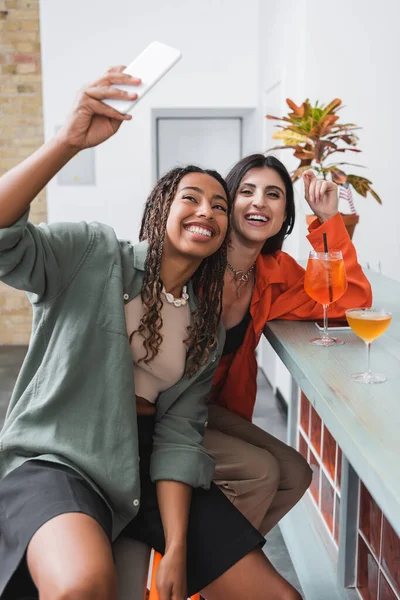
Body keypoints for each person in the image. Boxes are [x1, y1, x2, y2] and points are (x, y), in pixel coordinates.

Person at [0, 71, 300, 600]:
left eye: (217, 206)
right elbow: (5, 236)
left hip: (144, 468)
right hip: (63, 458)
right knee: (82, 585)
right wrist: (65, 142)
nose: (206, 211)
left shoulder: (205, 327)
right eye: (191, 198)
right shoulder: (93, 255)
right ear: (160, 206)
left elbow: (178, 438)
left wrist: (178, 551)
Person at [204, 154, 372, 537]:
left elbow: (349, 300)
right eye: (246, 191)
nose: (259, 201)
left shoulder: (274, 273)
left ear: (285, 217)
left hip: (214, 409)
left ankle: (221, 567)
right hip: (163, 410)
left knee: (295, 473)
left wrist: (328, 218)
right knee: (262, 473)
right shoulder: (196, 259)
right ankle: (219, 572)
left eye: (273, 194)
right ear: (227, 202)